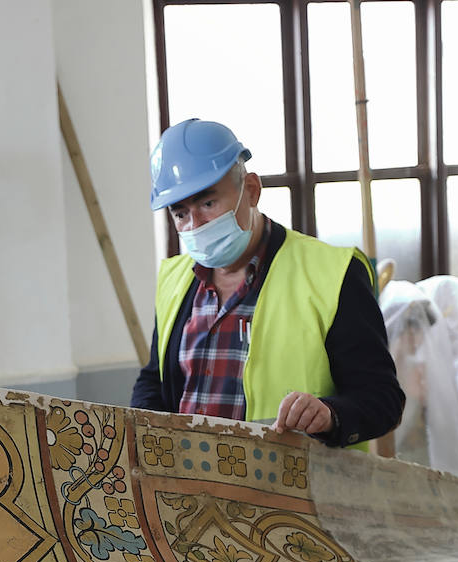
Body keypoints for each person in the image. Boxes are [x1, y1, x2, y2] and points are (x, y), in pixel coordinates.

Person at [132, 119, 404, 448]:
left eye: (207, 204)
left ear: (250, 190)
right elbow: (155, 380)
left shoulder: (332, 275)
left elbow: (383, 400)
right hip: (191, 490)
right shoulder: (175, 279)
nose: (196, 225)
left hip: (297, 492)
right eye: (180, 214)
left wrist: (330, 415)